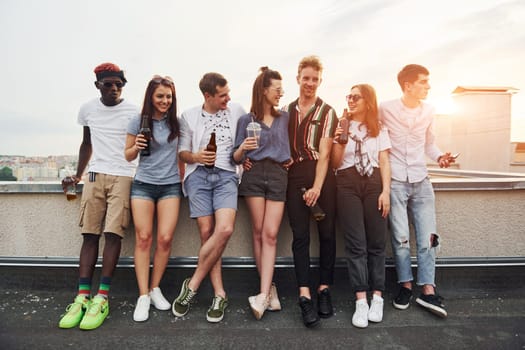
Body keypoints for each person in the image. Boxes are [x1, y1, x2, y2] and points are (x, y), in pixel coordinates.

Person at [58, 62, 138, 330]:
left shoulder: (133, 111)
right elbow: (86, 143)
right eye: (108, 84)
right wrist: (78, 175)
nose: (114, 88)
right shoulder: (88, 109)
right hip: (94, 175)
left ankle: (102, 297)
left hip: (124, 175)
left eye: (119, 84)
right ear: (98, 86)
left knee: (114, 234)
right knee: (90, 234)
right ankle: (82, 296)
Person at [379, 64, 456, 318]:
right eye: (423, 82)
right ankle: (405, 286)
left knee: (429, 238)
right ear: (408, 85)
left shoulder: (429, 111)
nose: (428, 86)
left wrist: (440, 157)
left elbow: (429, 144)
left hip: (422, 181)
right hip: (397, 181)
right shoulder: (385, 108)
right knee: (400, 238)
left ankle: (428, 289)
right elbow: (377, 142)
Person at [172, 72, 245, 323]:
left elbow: (246, 141)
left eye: (228, 93)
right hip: (198, 177)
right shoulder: (189, 116)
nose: (228, 98)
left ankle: (192, 285)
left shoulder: (236, 110)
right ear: (208, 96)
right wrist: (197, 157)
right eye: (222, 95)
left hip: (226, 175)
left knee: (224, 230)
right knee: (206, 233)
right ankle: (219, 293)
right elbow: (182, 152)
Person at [283, 56, 338, 328]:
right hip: (294, 177)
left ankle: (323, 290)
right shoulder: (286, 110)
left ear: (320, 81)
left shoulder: (327, 111)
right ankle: (304, 295)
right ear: (298, 79)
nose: (310, 83)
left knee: (327, 235)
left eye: (315, 79)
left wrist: (317, 187)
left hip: (321, 177)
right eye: (306, 78)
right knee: (300, 237)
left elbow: (326, 154)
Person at [331, 84, 391, 328]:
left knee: (377, 243)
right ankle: (361, 300)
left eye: (356, 97)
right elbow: (335, 163)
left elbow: (385, 161)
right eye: (349, 96)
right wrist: (340, 140)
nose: (351, 100)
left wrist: (386, 191)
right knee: (356, 243)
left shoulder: (379, 129)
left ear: (368, 101)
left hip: (375, 182)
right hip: (347, 183)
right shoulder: (341, 125)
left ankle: (378, 297)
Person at [232, 67, 290, 320]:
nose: (281, 93)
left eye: (281, 89)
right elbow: (234, 156)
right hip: (253, 174)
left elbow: (295, 147)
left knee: (270, 233)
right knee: (258, 233)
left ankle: (264, 293)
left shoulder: (286, 117)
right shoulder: (246, 120)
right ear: (263, 90)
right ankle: (268, 290)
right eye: (277, 89)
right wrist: (243, 149)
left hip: (277, 175)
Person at [124, 75, 182, 322]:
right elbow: (127, 155)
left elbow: (183, 156)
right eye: (160, 96)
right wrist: (136, 146)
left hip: (170, 186)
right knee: (144, 238)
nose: (165, 101)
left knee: (165, 239)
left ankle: (155, 287)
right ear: (150, 97)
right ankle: (143, 295)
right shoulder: (138, 121)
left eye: (168, 96)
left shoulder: (177, 124)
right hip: (144, 185)